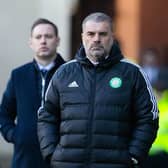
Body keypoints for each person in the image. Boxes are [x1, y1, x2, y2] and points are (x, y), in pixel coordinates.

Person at [38, 12, 159, 168]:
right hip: (67, 164)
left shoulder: (133, 73)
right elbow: (46, 115)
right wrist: (51, 154)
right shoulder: (64, 73)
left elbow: (149, 117)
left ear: (112, 37)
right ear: (83, 37)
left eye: (102, 34)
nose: (96, 39)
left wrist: (133, 156)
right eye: (91, 34)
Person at [0, 18, 65, 168]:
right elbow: (4, 112)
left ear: (57, 40)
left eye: (48, 36)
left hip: (61, 158)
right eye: (38, 37)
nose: (43, 41)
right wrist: (15, 135)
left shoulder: (70, 73)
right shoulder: (19, 75)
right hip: (24, 159)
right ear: (31, 42)